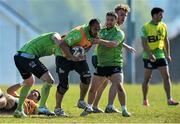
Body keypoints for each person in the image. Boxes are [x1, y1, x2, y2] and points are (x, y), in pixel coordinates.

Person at [81, 11, 131, 117]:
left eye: (111, 20)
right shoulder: (101, 31)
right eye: (107, 20)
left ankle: (124, 109)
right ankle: (89, 107)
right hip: (102, 65)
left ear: (116, 21)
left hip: (114, 64)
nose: (109, 22)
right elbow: (90, 38)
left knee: (119, 86)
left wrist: (99, 41)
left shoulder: (119, 33)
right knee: (93, 89)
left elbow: (114, 44)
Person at [92, 4, 135, 113]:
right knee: (114, 81)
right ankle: (105, 106)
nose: (123, 18)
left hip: (103, 58)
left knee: (106, 83)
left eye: (125, 15)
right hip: (99, 57)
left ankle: (97, 106)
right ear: (116, 15)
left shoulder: (116, 29)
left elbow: (116, 41)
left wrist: (126, 46)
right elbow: (108, 41)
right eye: (121, 15)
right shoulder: (108, 27)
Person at [54, 18, 101, 116]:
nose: (97, 31)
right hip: (62, 56)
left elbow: (87, 46)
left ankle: (81, 101)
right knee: (64, 86)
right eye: (95, 29)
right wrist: (71, 57)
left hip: (77, 58)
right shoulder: (79, 33)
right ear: (90, 27)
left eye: (98, 29)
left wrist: (82, 54)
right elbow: (63, 44)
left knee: (87, 77)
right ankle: (57, 108)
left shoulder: (94, 34)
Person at [13, 32, 62, 117]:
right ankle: (42, 107)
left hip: (18, 56)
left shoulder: (58, 49)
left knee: (29, 82)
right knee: (49, 80)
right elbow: (55, 36)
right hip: (28, 57)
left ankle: (19, 110)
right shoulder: (56, 36)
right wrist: (59, 42)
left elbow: (62, 56)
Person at [141, 7, 179, 106]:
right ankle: (145, 100)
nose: (162, 16)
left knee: (166, 76)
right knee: (147, 79)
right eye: (160, 14)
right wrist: (150, 54)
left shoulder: (163, 26)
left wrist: (168, 54)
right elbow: (144, 43)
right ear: (154, 15)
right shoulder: (145, 27)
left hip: (160, 55)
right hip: (148, 56)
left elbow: (166, 40)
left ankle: (169, 99)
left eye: (162, 14)